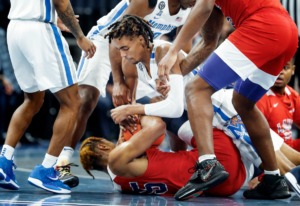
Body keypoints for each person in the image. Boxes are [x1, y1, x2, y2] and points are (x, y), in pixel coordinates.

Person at [157, 0, 298, 200]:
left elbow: (203, 7)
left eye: (181, 3)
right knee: (242, 102)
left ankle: (207, 165)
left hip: (263, 25)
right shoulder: (217, 4)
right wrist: (175, 79)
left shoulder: (206, 3)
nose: (184, 7)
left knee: (196, 90)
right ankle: (273, 180)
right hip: (287, 32)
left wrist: (173, 51)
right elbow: (208, 43)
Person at [59, 0, 194, 185]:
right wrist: (118, 81)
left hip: (140, 50)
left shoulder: (189, 8)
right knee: (86, 100)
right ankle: (61, 164)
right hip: (107, 41)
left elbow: (183, 47)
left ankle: (180, 159)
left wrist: (170, 79)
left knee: (164, 102)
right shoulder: (148, 2)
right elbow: (118, 38)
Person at [0, 0, 96, 194]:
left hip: (16, 28)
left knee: (32, 100)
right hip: (39, 31)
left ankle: (4, 161)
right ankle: (46, 169)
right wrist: (80, 36)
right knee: (72, 102)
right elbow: (60, 2)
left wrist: (51, 19)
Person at [79, 116, 248, 197]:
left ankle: (259, 173)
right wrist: (138, 112)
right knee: (181, 111)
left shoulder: (119, 185)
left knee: (178, 141)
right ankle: (267, 171)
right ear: (102, 146)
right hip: (217, 164)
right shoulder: (119, 157)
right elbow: (159, 126)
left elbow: (171, 158)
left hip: (222, 189)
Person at [257, 57, 300, 152]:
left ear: (293, 70)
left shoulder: (292, 94)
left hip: (291, 147)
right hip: (274, 152)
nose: (280, 72)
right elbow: (257, 138)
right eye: (276, 67)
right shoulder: (261, 97)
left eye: (285, 68)